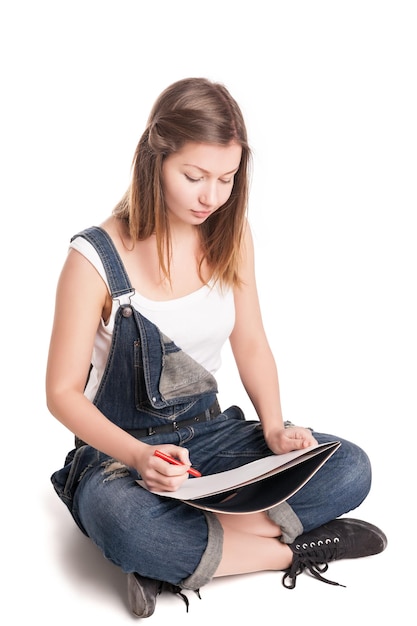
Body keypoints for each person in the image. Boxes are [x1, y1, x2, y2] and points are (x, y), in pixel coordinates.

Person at [46, 77, 387, 618]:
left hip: (211, 434)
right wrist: (139, 456)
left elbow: (250, 340)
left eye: (226, 179)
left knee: (351, 467)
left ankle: (178, 555)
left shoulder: (230, 234)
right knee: (126, 523)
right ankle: (285, 552)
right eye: (194, 176)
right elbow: (62, 393)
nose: (212, 196)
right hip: (120, 453)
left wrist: (274, 427)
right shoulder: (94, 257)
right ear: (154, 160)